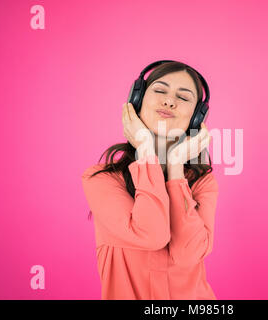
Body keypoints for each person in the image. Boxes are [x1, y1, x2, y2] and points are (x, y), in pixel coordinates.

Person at [81, 61, 219, 300]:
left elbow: (188, 254)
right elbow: (151, 235)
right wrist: (146, 150)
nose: (169, 101)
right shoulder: (101, 180)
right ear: (137, 100)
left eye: (183, 97)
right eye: (160, 90)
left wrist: (175, 167)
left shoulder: (202, 184)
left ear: (196, 118)